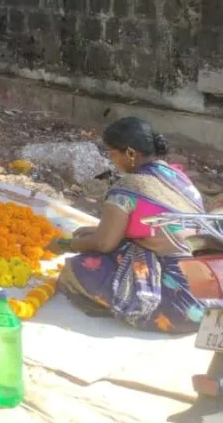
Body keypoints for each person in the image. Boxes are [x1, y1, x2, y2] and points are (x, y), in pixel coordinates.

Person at [58, 117, 207, 333]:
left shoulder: (128, 187)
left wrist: (64, 244)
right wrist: (98, 232)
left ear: (130, 153)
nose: (111, 160)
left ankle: (120, 307)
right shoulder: (176, 175)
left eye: (112, 153)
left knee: (76, 269)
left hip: (183, 306)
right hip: (211, 288)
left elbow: (104, 244)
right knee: (95, 239)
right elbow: (155, 225)